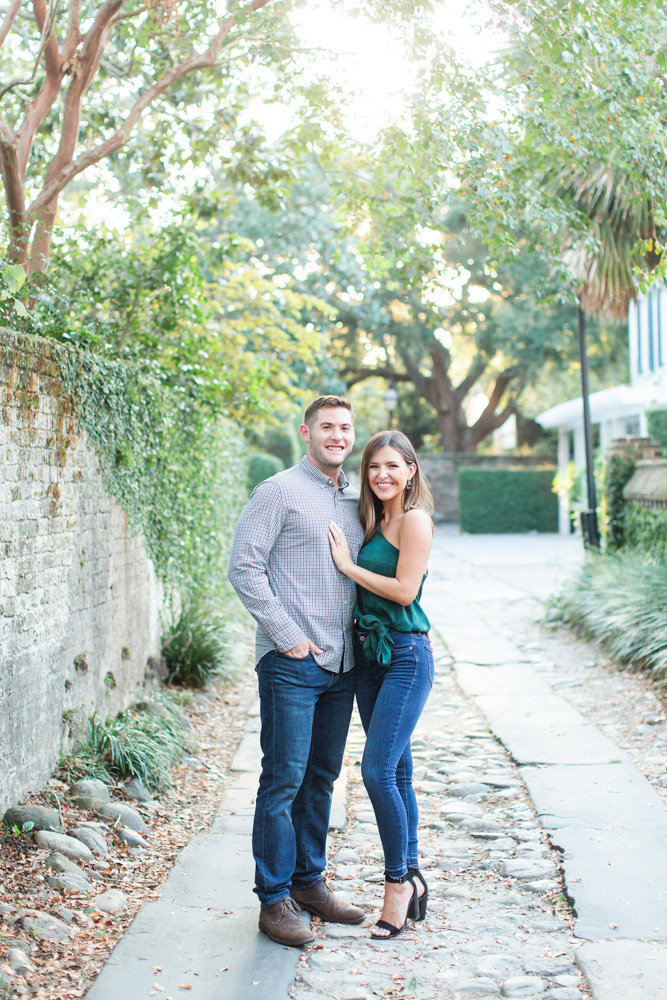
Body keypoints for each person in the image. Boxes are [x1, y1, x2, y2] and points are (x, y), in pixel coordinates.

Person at [228, 395, 366, 947]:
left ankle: (310, 883)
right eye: (327, 427)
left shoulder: (356, 496)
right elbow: (244, 566)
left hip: (343, 663)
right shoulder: (278, 491)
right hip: (293, 663)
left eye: (345, 428)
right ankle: (274, 899)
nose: (337, 435)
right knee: (283, 778)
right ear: (306, 432)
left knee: (322, 778)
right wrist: (290, 640)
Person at [328, 430, 434, 939]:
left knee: (375, 771)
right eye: (373, 467)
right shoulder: (374, 519)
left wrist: (348, 566)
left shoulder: (414, 520)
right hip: (371, 656)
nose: (382, 475)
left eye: (393, 466)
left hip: (406, 655)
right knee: (399, 771)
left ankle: (396, 885)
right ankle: (413, 874)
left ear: (411, 470)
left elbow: (404, 589)